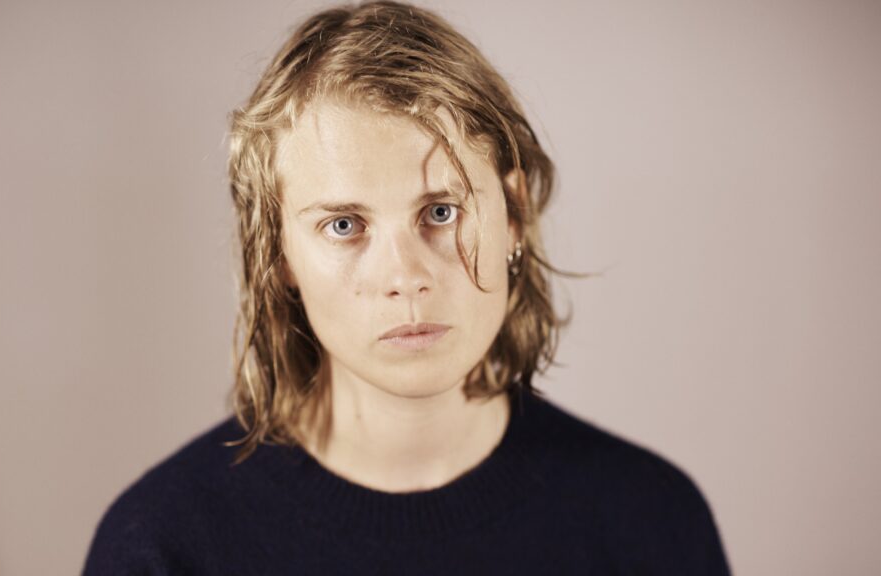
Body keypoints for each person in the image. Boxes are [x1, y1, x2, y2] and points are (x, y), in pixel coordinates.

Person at [83, 1, 732, 574]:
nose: (405, 277)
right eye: (344, 224)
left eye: (441, 212)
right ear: (278, 255)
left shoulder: (650, 522)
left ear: (514, 212)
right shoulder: (162, 547)